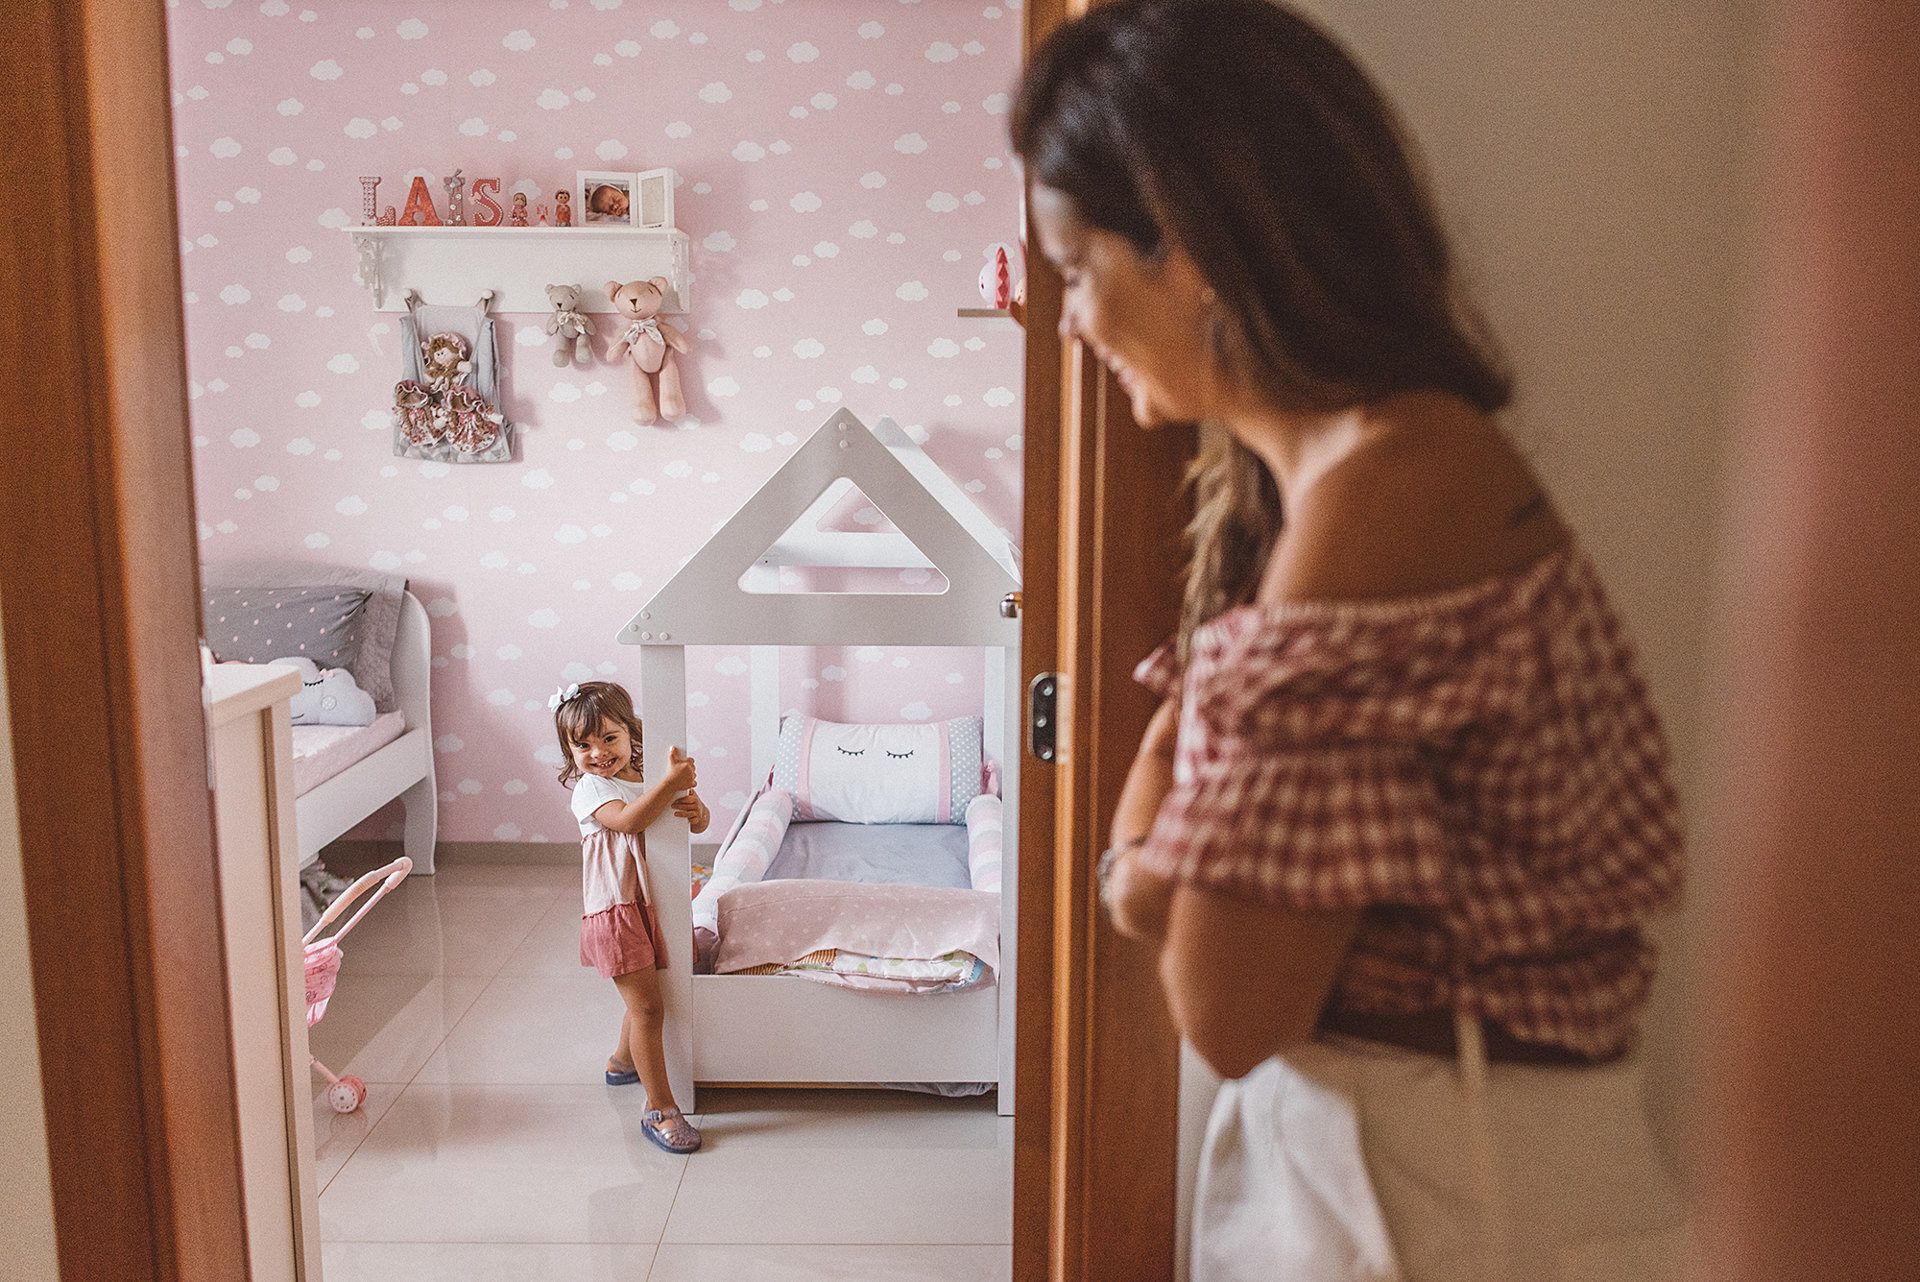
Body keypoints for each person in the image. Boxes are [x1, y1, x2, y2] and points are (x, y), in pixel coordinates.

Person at [1013, 2, 1688, 1279]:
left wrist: (1141, 865)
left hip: (1449, 1175)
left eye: (1075, 271)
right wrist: (1152, 865)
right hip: (1418, 1151)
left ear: (1193, 246)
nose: (1071, 325)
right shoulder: (1352, 488)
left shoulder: (1388, 498)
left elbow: (1226, 1010)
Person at [552, 679, 710, 1154]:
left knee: (647, 997)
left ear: (629, 732)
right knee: (648, 1008)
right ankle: (660, 1107)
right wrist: (669, 784)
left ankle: (622, 1063)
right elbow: (629, 821)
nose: (598, 753)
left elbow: (691, 823)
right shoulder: (590, 788)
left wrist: (694, 807)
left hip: (654, 902)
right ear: (569, 752)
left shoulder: (640, 775)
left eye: (609, 739)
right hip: (617, 911)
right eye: (582, 745)